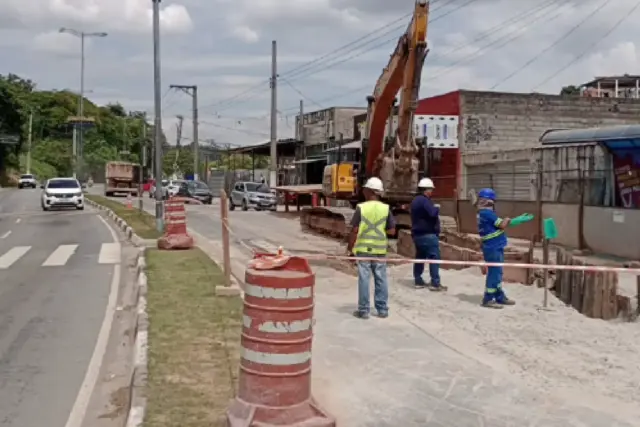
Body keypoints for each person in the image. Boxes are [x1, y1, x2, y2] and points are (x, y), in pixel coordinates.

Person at [346, 177, 396, 319]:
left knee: (364, 279)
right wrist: (379, 230)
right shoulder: (386, 209)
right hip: (380, 250)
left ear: (369, 191)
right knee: (381, 278)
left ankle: (364, 310)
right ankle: (382, 310)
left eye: (365, 189)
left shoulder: (361, 208)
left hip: (364, 250)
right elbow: (392, 231)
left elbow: (354, 230)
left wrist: (350, 250)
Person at [476, 188, 533, 308]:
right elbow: (502, 224)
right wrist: (507, 219)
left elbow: (501, 225)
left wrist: (517, 219)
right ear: (489, 201)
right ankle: (488, 298)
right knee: (494, 272)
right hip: (493, 247)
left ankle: (499, 296)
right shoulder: (487, 214)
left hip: (495, 245)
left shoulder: (483, 213)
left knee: (498, 273)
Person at [410, 177, 445, 291]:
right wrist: (437, 208)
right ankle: (435, 283)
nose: (432, 192)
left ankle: (418, 280)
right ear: (427, 190)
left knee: (420, 257)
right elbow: (432, 213)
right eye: (431, 190)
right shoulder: (425, 201)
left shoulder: (415, 200)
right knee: (434, 257)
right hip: (427, 234)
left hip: (417, 235)